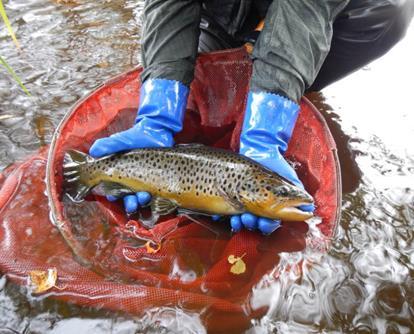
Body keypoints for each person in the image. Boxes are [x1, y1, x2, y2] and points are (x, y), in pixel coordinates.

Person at [89, 0, 414, 234]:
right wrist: (158, 112)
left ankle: (281, 83)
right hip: (220, 13)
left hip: (337, 12)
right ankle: (244, 56)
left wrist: (267, 129)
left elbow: (307, 7)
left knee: (395, 10)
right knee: (190, 82)